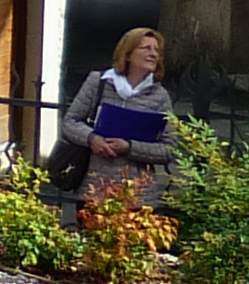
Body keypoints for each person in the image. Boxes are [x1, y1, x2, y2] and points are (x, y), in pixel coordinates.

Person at [49, 25, 176, 209]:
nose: (153, 54)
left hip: (138, 196)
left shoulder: (160, 96)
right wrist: (92, 139)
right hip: (94, 189)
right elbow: (70, 122)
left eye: (156, 50)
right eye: (146, 48)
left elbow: (169, 149)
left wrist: (129, 147)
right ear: (128, 54)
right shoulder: (99, 83)